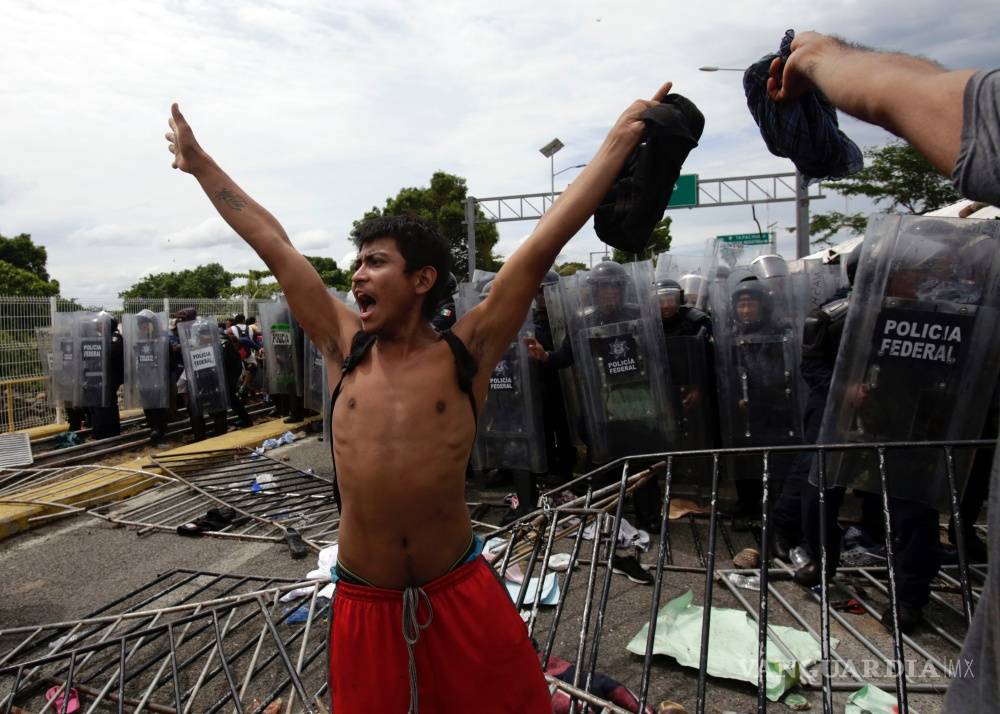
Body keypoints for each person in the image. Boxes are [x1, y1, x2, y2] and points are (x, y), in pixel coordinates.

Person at [166, 80, 675, 712]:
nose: (357, 275)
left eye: (376, 262)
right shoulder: (343, 347)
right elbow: (273, 243)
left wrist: (621, 141)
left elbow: (545, 240)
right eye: (358, 263)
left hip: (458, 586)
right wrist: (200, 164)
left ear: (422, 279)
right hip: (364, 595)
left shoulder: (467, 351)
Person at [765, 31, 995, 710]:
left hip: (912, 434)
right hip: (852, 428)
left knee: (912, 518)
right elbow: (816, 372)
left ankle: (909, 601)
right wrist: (847, 395)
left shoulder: (940, 312)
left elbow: (960, 373)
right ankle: (820, 565)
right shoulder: (834, 315)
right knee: (824, 495)